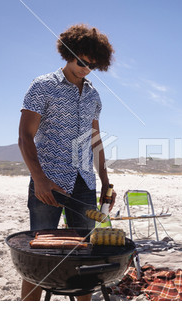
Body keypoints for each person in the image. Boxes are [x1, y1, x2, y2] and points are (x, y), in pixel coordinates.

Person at [18, 24, 116, 301]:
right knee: (38, 254)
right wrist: (39, 180)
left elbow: (95, 141)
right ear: (67, 53)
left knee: (84, 254)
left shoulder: (94, 96)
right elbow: (25, 136)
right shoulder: (43, 86)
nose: (85, 69)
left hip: (85, 183)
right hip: (47, 183)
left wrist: (106, 181)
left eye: (92, 65)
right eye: (81, 61)